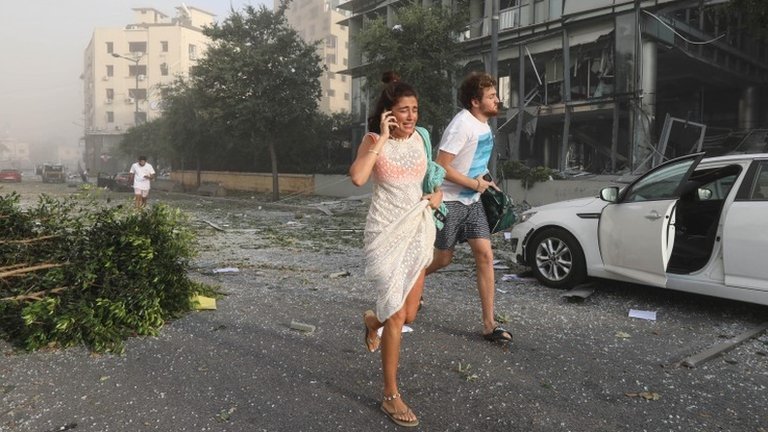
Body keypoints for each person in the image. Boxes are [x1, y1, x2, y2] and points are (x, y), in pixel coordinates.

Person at [349, 72, 442, 428]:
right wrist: (383, 138)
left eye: (415, 109)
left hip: (419, 229)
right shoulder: (374, 139)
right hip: (385, 234)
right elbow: (358, 177)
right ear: (388, 113)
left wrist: (437, 197)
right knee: (399, 316)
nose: (411, 116)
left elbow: (433, 179)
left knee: (410, 314)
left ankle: (373, 320)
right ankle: (390, 395)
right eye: (403, 110)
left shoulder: (422, 138)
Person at [425, 72, 513, 344]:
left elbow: (474, 162)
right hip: (450, 201)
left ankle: (489, 325)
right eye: (491, 96)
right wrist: (473, 184)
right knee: (442, 260)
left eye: (495, 95)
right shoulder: (461, 125)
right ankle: (411, 281)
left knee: (485, 255)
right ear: (476, 102)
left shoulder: (484, 126)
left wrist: (487, 181)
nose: (497, 100)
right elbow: (440, 166)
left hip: (473, 202)